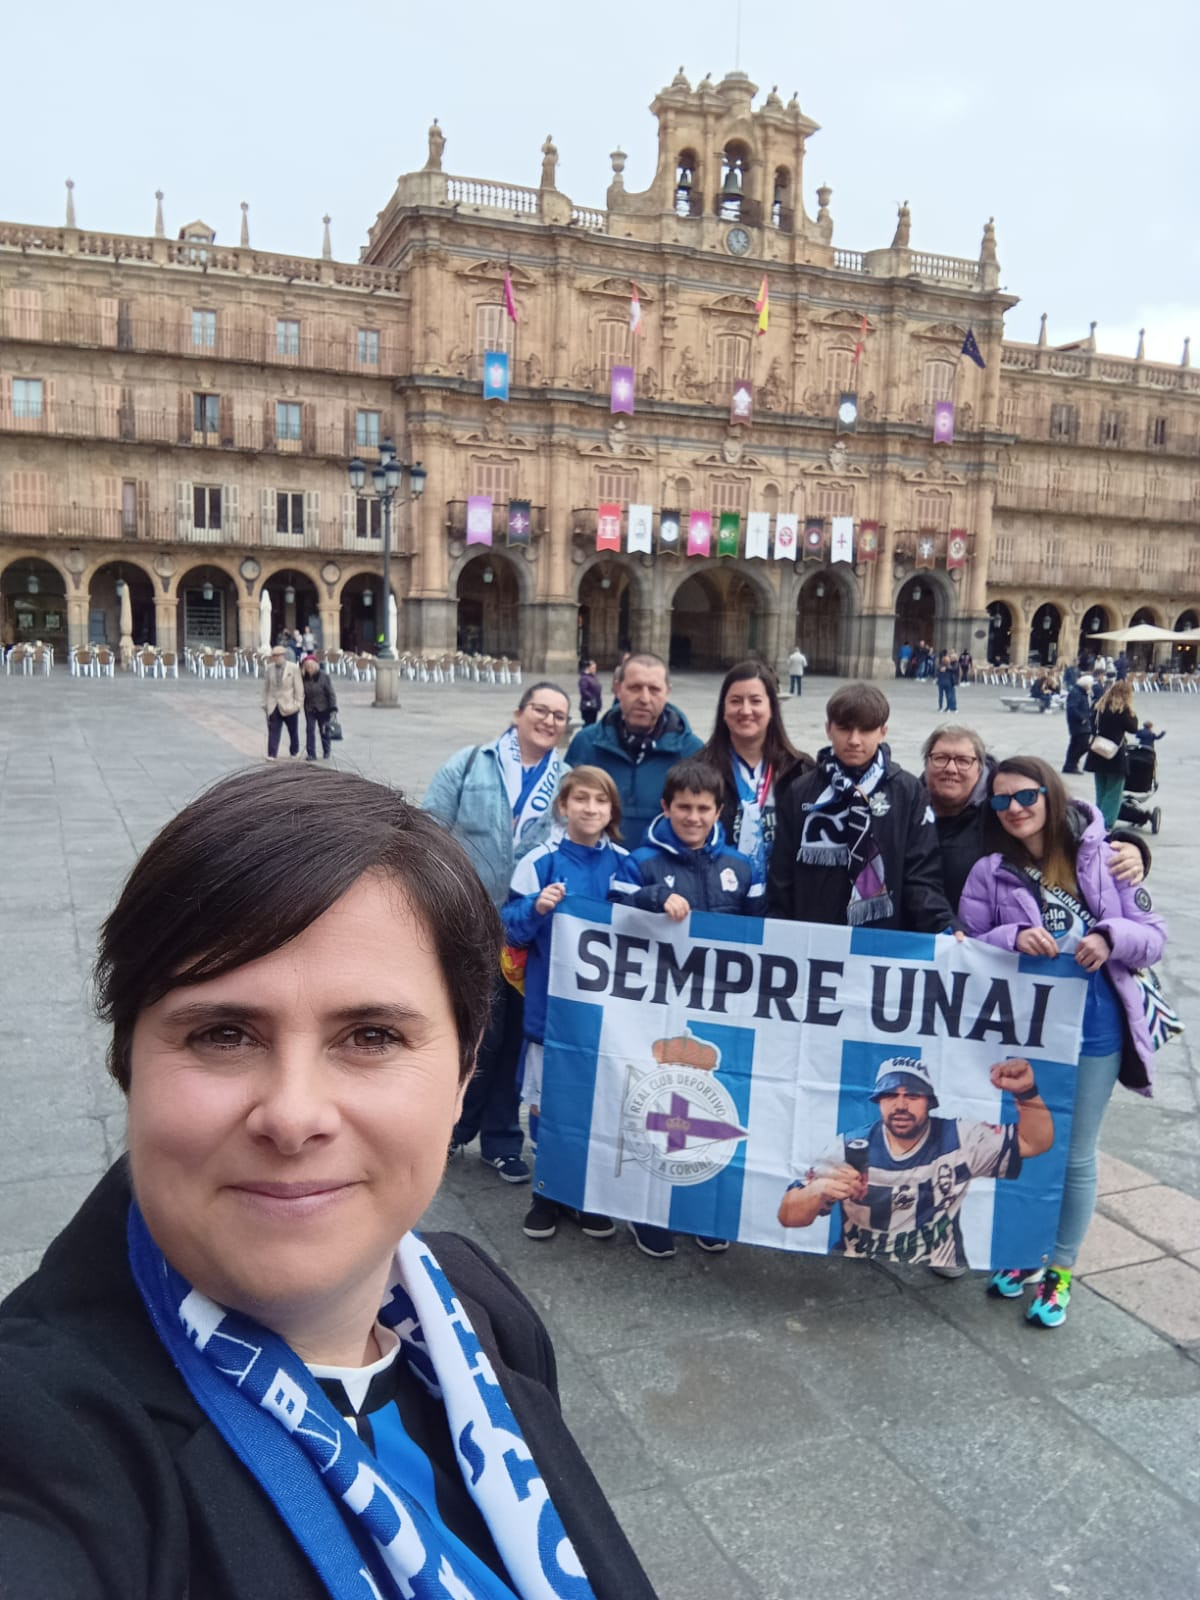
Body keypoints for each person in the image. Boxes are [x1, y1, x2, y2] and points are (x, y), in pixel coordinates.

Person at [0, 765, 655, 1599]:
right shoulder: (44, 1441)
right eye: (224, 1033)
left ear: (463, 1071)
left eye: (372, 1036)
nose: (294, 1114)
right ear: (127, 1062)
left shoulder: (483, 1306)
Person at [959, 757, 1166, 1328]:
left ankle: (1062, 1269)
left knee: (1075, 1152)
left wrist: (1108, 935)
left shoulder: (1106, 856)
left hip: (1095, 1026)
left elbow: (1154, 937)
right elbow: (968, 942)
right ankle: (1026, 1252)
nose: (1015, 810)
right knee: (1025, 1140)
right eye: (1000, 802)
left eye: (1024, 796)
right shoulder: (989, 871)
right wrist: (1010, 935)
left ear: (1049, 795)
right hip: (1024, 1031)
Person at [609, 757, 760, 1259]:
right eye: (683, 808)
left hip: (722, 1011)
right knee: (658, 1107)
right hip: (659, 1010)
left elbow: (767, 933)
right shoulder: (641, 862)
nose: (693, 818)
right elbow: (613, 905)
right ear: (665, 807)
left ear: (718, 810)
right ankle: (649, 1212)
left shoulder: (741, 866)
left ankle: (703, 1208)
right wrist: (654, 898)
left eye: (703, 809)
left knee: (717, 1109)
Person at [423, 681, 570, 1184]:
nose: (549, 721)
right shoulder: (471, 762)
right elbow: (430, 828)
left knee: (514, 1043)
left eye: (558, 716)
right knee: (474, 1033)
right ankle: (450, 1129)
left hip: (532, 930)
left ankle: (502, 1140)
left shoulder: (565, 779)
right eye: (541, 710)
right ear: (519, 712)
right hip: (472, 921)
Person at [501, 766, 639, 1243]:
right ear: (563, 806)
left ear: (611, 811)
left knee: (593, 1105)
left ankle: (583, 1194)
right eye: (581, 799)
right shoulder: (539, 861)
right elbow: (508, 927)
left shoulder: (624, 862)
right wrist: (536, 908)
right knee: (547, 1103)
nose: (590, 809)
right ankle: (547, 1191)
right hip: (550, 1009)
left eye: (600, 802)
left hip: (606, 1016)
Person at [777, 1056, 1053, 1271]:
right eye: (890, 1095)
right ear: (878, 1101)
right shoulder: (850, 1147)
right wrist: (817, 1191)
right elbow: (788, 1216)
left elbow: (1033, 1143)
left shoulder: (960, 1138)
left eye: (912, 1095)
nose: (900, 1105)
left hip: (939, 1262)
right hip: (860, 1265)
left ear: (929, 1102)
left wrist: (1027, 1093)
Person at [767, 682, 957, 932]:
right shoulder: (801, 790)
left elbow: (921, 875)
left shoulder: (907, 791)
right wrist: (777, 931)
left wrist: (943, 924)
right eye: (844, 729)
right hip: (812, 937)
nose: (854, 740)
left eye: (866, 730)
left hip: (881, 939)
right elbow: (782, 876)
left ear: (883, 732)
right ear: (828, 729)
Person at [921, 722, 1148, 909]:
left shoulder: (1001, 804)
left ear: (979, 766)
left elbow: (1070, 825)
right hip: (928, 942)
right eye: (940, 758)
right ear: (927, 761)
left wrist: (1131, 847)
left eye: (963, 761)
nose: (951, 768)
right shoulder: (907, 804)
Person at [564, 651, 703, 847]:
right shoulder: (586, 743)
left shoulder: (692, 751)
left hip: (662, 873)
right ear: (618, 689)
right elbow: (563, 814)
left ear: (667, 692)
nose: (644, 698)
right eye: (635, 688)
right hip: (596, 868)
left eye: (654, 689)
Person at [697, 661, 814, 885]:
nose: (745, 710)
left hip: (782, 903)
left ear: (772, 708)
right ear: (723, 709)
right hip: (719, 900)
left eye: (756, 701)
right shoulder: (699, 770)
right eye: (735, 701)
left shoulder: (801, 770)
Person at [1085, 676, 1138, 828]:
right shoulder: (1123, 711)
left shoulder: (1098, 707)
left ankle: (1096, 819)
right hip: (1114, 755)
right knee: (1114, 792)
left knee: (1101, 790)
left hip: (1097, 751)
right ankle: (1105, 823)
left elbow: (1092, 725)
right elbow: (1133, 728)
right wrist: (1131, 709)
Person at [262, 642, 303, 759]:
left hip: (289, 704)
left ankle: (294, 751)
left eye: (277, 656)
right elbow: (266, 687)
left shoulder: (293, 668)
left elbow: (299, 688)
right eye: (273, 656)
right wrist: (265, 703)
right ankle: (272, 754)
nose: (275, 658)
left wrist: (298, 704)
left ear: (283, 655)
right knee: (273, 730)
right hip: (274, 704)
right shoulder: (270, 669)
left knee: (293, 731)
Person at [300, 654, 338, 761]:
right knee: (310, 730)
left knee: (324, 730)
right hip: (309, 708)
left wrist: (333, 708)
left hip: (323, 708)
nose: (309, 669)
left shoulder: (324, 677)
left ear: (316, 666)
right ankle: (311, 754)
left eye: (311, 666)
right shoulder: (303, 678)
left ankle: (326, 751)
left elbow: (331, 693)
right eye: (307, 667)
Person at [1062, 673, 1094, 772]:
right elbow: (1072, 708)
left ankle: (1070, 765)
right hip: (1079, 724)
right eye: (1090, 685)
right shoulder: (1076, 693)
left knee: (1076, 745)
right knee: (1082, 744)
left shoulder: (1082, 692)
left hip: (1082, 723)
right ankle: (1071, 764)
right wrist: (1082, 718)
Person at [577, 659, 602, 725]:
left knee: (593, 722)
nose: (595, 669)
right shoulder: (584, 678)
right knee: (588, 723)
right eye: (593, 668)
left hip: (594, 704)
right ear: (588, 668)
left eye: (595, 668)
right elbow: (583, 691)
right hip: (588, 706)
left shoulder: (593, 677)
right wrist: (592, 697)